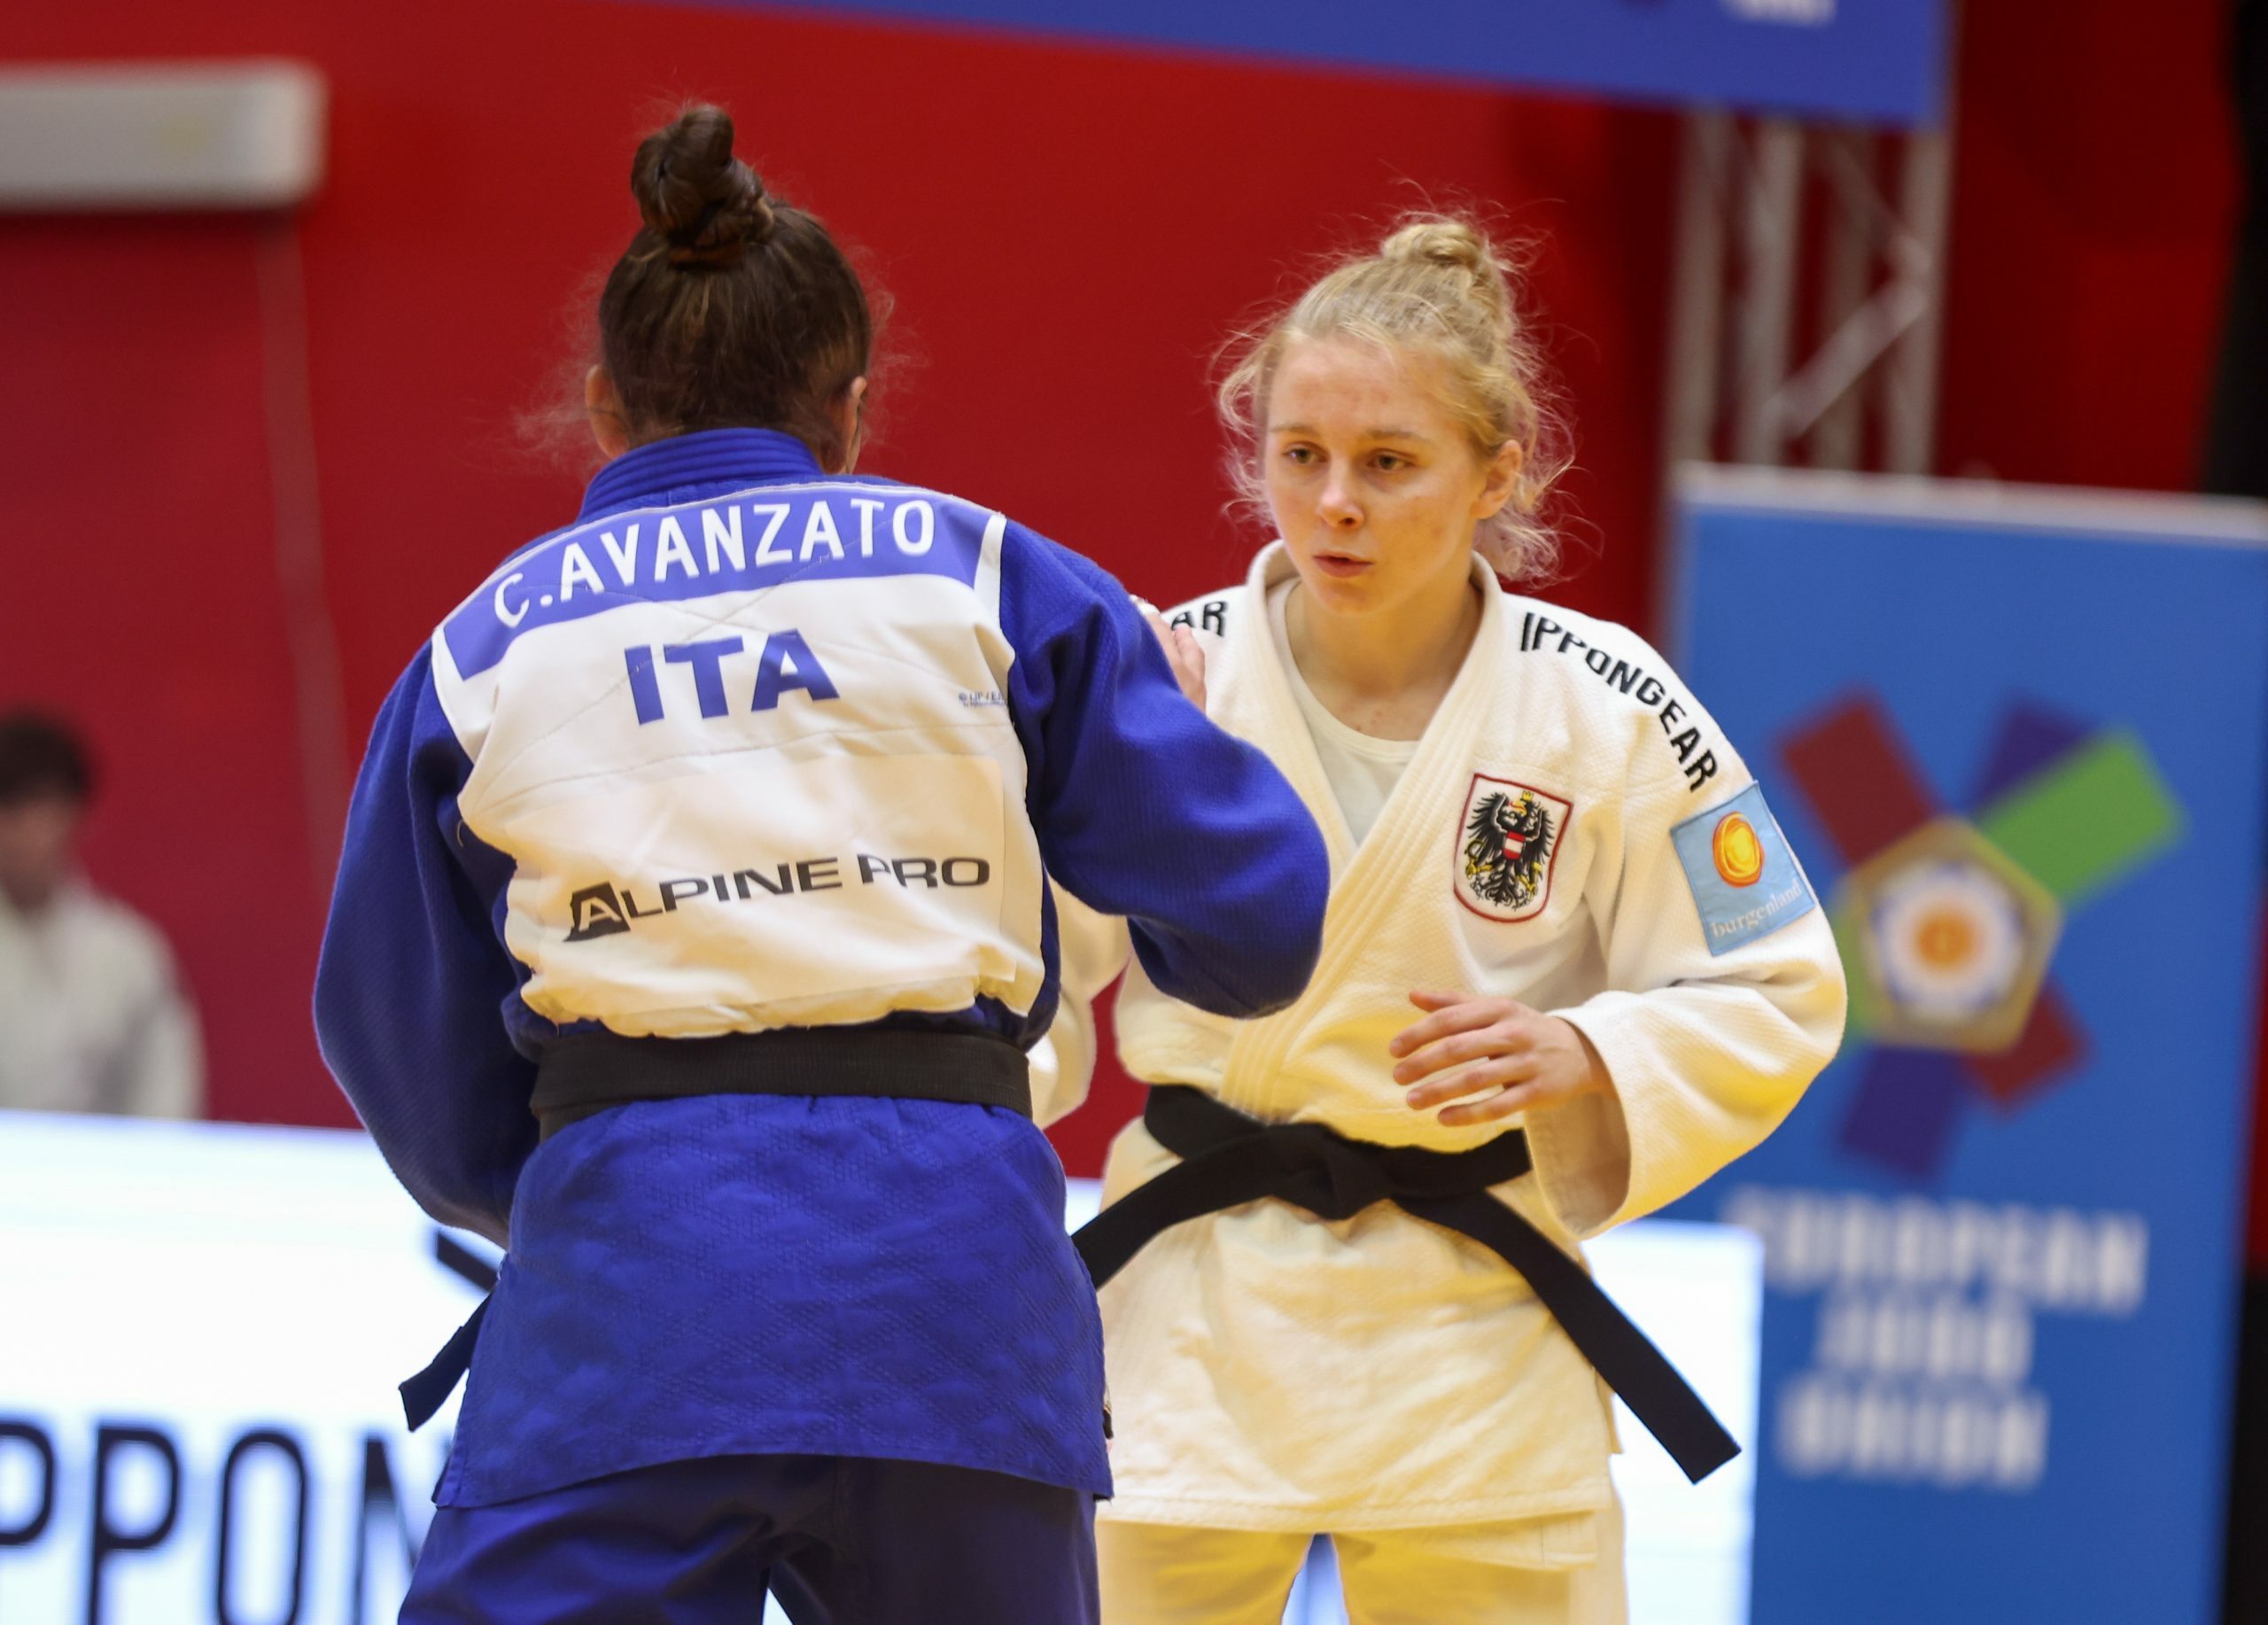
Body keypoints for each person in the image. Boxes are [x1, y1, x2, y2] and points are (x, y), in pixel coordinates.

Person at [313, 106, 1328, 1625]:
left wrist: (566, 1189)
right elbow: (1262, 913)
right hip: (957, 1304)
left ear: (602, 406)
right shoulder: (990, 580)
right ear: (849, 408)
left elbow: (385, 1024)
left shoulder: (485, 648)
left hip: (625, 1292)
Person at [1050, 219, 1848, 1624]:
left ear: (1499, 473)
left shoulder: (1608, 702)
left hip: (1478, 1328)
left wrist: (1589, 1053)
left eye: (1389, 461)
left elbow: (1779, 981)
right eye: (1300, 454)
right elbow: (1025, 982)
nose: (1335, 503)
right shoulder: (1169, 680)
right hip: (1192, 1313)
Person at [0, 711, 204, 1119]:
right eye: (7, 810)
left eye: (37, 808)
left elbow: (165, 1103)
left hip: (102, 1178)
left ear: (77, 814)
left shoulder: (127, 952)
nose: (20, 833)